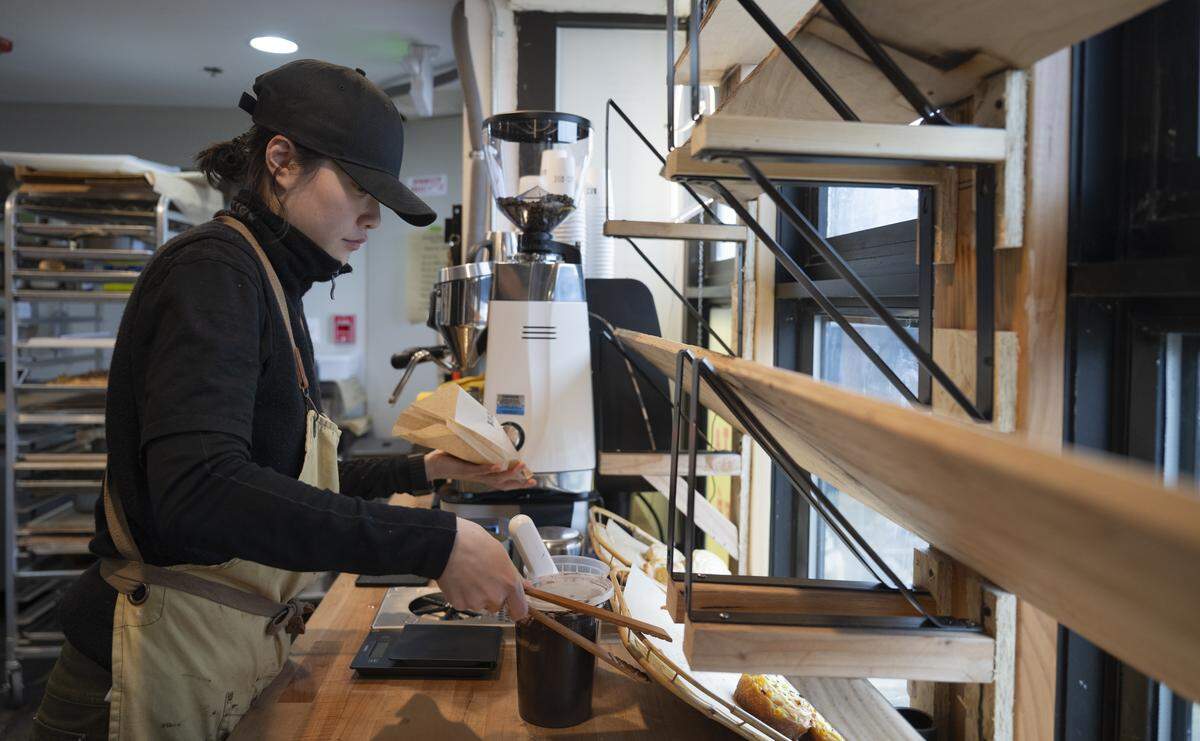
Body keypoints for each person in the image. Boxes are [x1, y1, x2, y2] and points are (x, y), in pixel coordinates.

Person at [33, 59, 530, 740]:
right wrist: (432, 542)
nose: (373, 216)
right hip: (130, 672)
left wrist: (424, 471)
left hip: (206, 651)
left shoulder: (271, 281)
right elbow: (203, 488)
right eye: (359, 187)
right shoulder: (213, 274)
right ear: (282, 161)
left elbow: (280, 474)